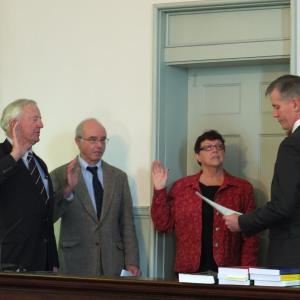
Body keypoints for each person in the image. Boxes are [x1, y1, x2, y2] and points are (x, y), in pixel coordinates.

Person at [151, 130, 259, 274]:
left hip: (230, 272)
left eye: (219, 146)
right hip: (189, 270)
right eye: (208, 147)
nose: (215, 150)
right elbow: (162, 224)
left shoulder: (242, 188)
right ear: (198, 156)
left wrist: (247, 271)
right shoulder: (182, 187)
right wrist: (160, 190)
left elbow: (251, 234)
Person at [224, 74, 300, 268]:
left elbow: (283, 206)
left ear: (295, 104)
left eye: (276, 106)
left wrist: (242, 222)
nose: (274, 114)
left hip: (293, 254)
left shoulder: (292, 145)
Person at [50, 118, 140, 276]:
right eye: (92, 140)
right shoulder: (59, 175)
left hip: (113, 263)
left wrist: (132, 261)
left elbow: (127, 223)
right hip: (75, 263)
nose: (99, 146)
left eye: (103, 140)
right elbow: (50, 217)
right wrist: (68, 190)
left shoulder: (118, 177)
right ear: (78, 141)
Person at [0, 99, 58, 271]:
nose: (41, 125)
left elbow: (45, 219)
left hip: (42, 263)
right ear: (14, 124)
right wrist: (16, 153)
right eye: (35, 119)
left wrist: (53, 261)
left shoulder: (39, 164)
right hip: (10, 262)